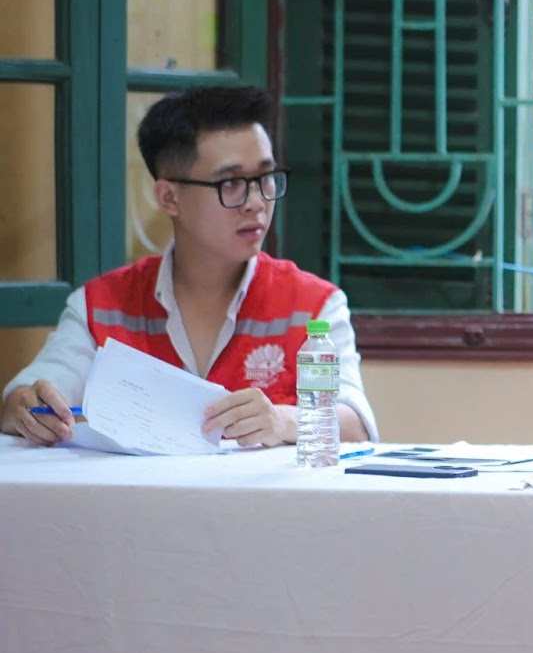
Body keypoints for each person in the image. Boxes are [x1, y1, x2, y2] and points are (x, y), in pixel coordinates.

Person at [1, 85, 378, 448]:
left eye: (265, 178)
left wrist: (283, 421)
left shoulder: (313, 305)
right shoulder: (100, 306)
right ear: (169, 197)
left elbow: (355, 422)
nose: (256, 202)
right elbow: (24, 399)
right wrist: (26, 408)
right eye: (231, 183)